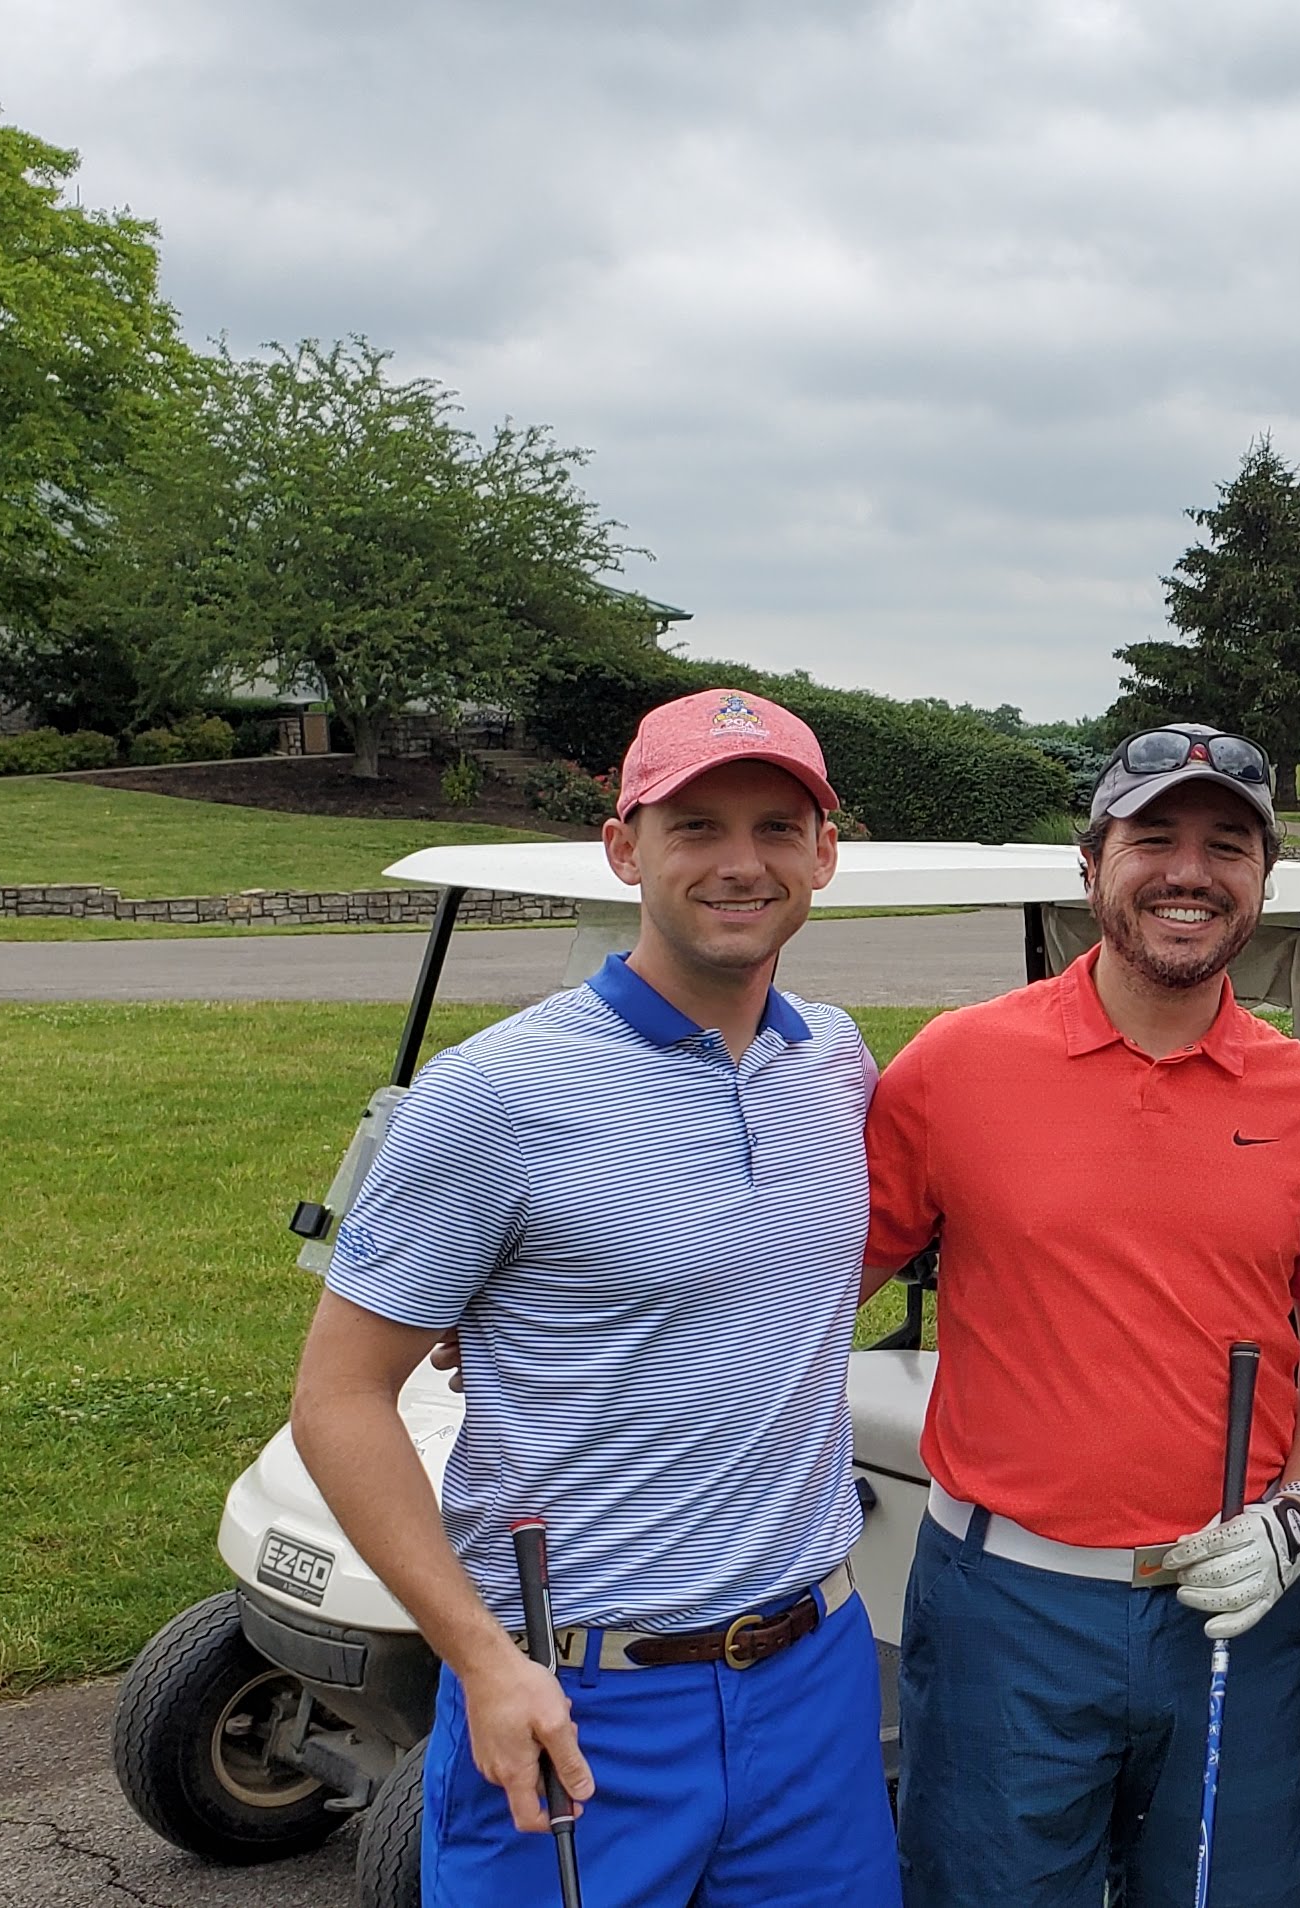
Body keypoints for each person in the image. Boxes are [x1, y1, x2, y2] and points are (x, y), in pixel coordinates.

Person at [291, 687, 899, 1906]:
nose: (741, 862)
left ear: (825, 853)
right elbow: (340, 1401)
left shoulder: (833, 1061)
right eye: (696, 826)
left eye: (777, 826)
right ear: (625, 847)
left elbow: (796, 1270)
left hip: (811, 1672)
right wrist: (477, 1660)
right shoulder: (493, 1096)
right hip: (577, 1693)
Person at [865, 722, 1300, 1908]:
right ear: (1092, 865)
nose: (1189, 872)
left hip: (1233, 1609)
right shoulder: (956, 1066)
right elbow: (809, 1282)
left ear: (1260, 881)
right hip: (1008, 1609)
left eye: (1227, 846)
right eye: (1155, 838)